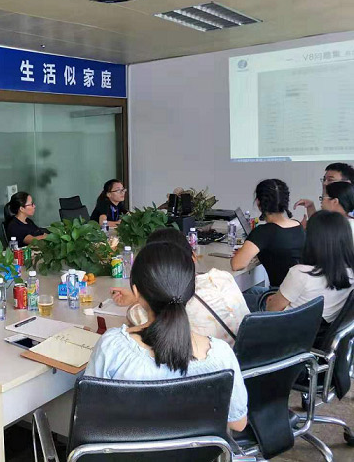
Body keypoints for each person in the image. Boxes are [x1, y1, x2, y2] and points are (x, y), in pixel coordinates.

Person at [86, 242, 247, 432]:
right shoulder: (221, 355)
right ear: (191, 291)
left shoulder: (113, 348)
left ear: (136, 292)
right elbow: (238, 423)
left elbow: (91, 418)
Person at [112, 228, 249, 346]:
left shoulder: (141, 312)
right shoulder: (222, 277)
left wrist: (140, 298)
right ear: (193, 257)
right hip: (245, 361)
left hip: (200, 365)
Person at [266, 210, 354, 342]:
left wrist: (272, 302)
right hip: (317, 337)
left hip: (284, 339)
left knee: (250, 298)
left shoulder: (300, 273)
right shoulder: (350, 273)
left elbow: (271, 311)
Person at [231, 179, 304, 310]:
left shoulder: (264, 232)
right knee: (248, 290)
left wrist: (243, 253)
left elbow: (237, 264)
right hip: (301, 299)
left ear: (259, 203)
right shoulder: (297, 225)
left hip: (280, 301)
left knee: (229, 299)